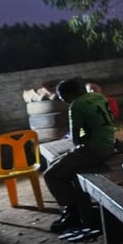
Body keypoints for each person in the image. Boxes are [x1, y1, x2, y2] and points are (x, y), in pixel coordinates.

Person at [45, 78, 117, 234]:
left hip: (94, 150)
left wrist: (84, 138)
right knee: (58, 163)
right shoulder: (99, 97)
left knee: (50, 174)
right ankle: (76, 208)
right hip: (109, 144)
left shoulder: (76, 106)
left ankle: (72, 213)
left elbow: (77, 139)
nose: (64, 102)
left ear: (69, 94)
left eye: (63, 98)